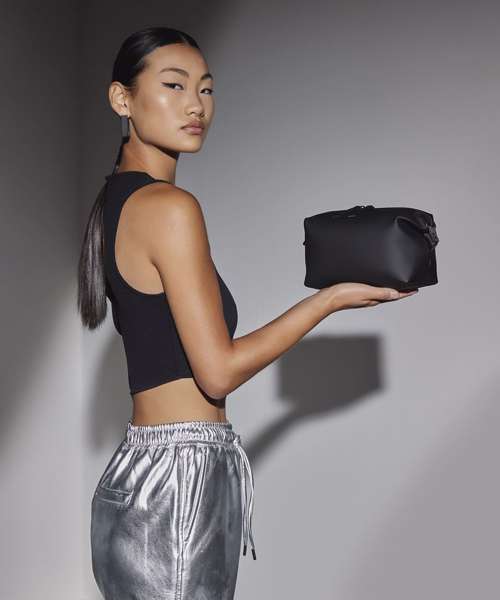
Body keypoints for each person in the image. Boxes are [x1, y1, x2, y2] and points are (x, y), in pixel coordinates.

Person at [77, 26, 417, 600]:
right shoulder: (169, 207)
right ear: (122, 99)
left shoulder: (116, 201)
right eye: (174, 85)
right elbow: (218, 372)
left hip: (142, 477)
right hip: (178, 486)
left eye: (206, 89)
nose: (195, 105)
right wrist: (329, 299)